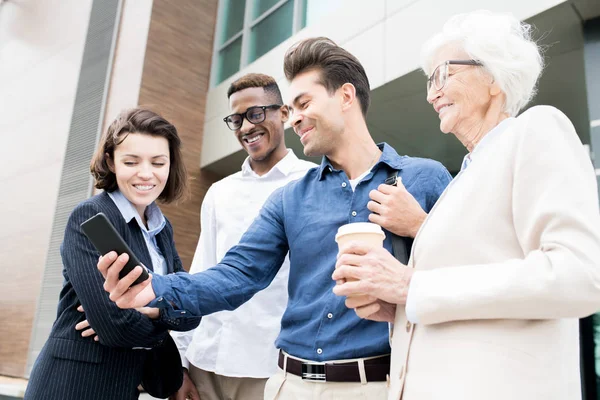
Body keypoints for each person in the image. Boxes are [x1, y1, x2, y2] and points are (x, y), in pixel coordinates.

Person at [98, 37, 452, 399]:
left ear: (346, 96)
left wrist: (421, 225)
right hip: (289, 385)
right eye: (291, 107)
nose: (294, 117)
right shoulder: (289, 198)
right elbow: (236, 275)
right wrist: (154, 288)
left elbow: (470, 272)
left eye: (304, 103)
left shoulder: (425, 179)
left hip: (378, 386)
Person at [332, 10, 600, 400]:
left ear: (493, 77)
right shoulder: (463, 180)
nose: (431, 94)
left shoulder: (536, 129)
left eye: (443, 75)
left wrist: (411, 286)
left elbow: (580, 275)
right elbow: (461, 295)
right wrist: (398, 308)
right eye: (429, 81)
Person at [24, 108, 199, 400]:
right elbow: (115, 327)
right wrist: (165, 319)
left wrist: (151, 310)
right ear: (111, 161)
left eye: (158, 162)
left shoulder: (161, 228)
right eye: (131, 161)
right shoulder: (91, 217)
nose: (146, 173)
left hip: (121, 387)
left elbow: (192, 313)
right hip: (71, 386)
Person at [170, 73, 316, 400]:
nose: (246, 127)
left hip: (269, 368)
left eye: (256, 114)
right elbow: (201, 272)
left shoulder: (313, 183)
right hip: (205, 363)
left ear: (284, 113)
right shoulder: (220, 192)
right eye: (236, 119)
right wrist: (178, 362)